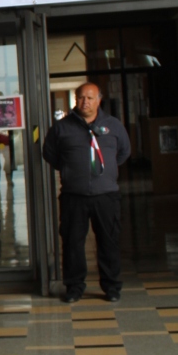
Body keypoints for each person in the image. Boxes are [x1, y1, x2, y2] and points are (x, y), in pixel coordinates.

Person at [43, 82, 130, 303]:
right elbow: (50, 154)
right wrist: (72, 170)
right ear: (76, 99)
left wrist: (106, 172)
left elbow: (123, 152)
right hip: (74, 196)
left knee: (109, 242)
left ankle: (111, 287)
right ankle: (74, 288)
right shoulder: (61, 128)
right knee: (72, 243)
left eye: (90, 98)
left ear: (99, 100)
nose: (85, 102)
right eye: (81, 97)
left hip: (106, 195)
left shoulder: (113, 126)